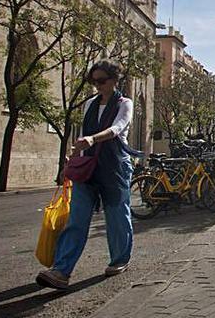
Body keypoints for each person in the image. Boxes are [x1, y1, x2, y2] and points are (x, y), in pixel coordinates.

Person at [36, 60, 136, 290]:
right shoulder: (90, 104)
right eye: (94, 81)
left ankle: (120, 259)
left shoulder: (124, 103)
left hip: (114, 167)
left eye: (101, 81)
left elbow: (118, 128)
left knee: (117, 217)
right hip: (87, 166)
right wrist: (70, 163)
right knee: (77, 219)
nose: (97, 85)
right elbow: (81, 136)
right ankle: (61, 271)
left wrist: (93, 138)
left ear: (113, 81)